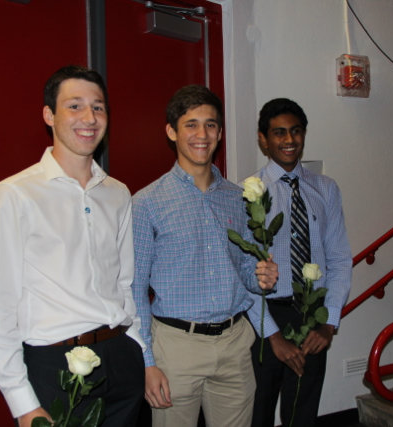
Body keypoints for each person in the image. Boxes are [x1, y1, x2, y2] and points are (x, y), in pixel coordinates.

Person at [0, 65, 145, 427]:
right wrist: (22, 403)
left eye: (98, 107)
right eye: (75, 106)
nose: (89, 117)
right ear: (48, 115)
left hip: (120, 359)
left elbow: (124, 283)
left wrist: (137, 349)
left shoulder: (118, 193)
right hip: (55, 366)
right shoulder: (15, 194)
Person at [132, 84, 279, 427]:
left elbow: (243, 267)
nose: (202, 134)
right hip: (175, 347)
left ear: (220, 133)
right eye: (191, 124)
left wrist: (260, 277)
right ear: (172, 131)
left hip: (234, 344)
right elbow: (135, 290)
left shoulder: (238, 196)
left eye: (210, 124)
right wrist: (146, 363)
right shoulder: (147, 203)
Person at [247, 98, 352, 427]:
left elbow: (339, 260)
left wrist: (328, 322)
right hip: (264, 317)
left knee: (301, 411)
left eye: (295, 131)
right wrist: (272, 336)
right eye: (279, 133)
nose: (289, 140)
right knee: (257, 410)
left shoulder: (326, 189)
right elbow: (241, 273)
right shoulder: (247, 192)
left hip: (313, 317)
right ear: (264, 139)